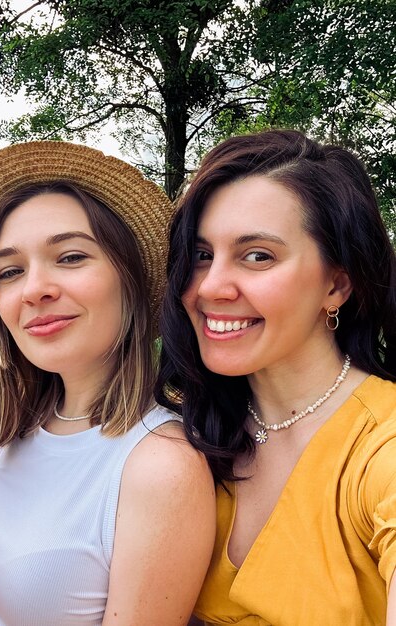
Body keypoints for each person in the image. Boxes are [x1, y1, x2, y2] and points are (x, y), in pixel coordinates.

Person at [0, 140, 216, 626]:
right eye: (10, 271)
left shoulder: (160, 466)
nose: (34, 288)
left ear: (132, 278)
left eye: (71, 257)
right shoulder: (2, 418)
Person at [156, 129, 396, 625]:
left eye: (257, 255)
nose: (211, 287)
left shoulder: (382, 448)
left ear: (337, 284)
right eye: (202, 255)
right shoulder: (187, 427)